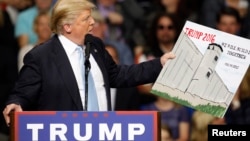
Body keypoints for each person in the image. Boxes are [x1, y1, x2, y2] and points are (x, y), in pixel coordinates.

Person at [2, 0, 175, 126]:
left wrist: (159, 63)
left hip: (103, 132)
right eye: (86, 19)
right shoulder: (41, 56)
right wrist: (15, 103)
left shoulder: (95, 46)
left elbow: (119, 75)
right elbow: (22, 92)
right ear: (67, 26)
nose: (93, 22)